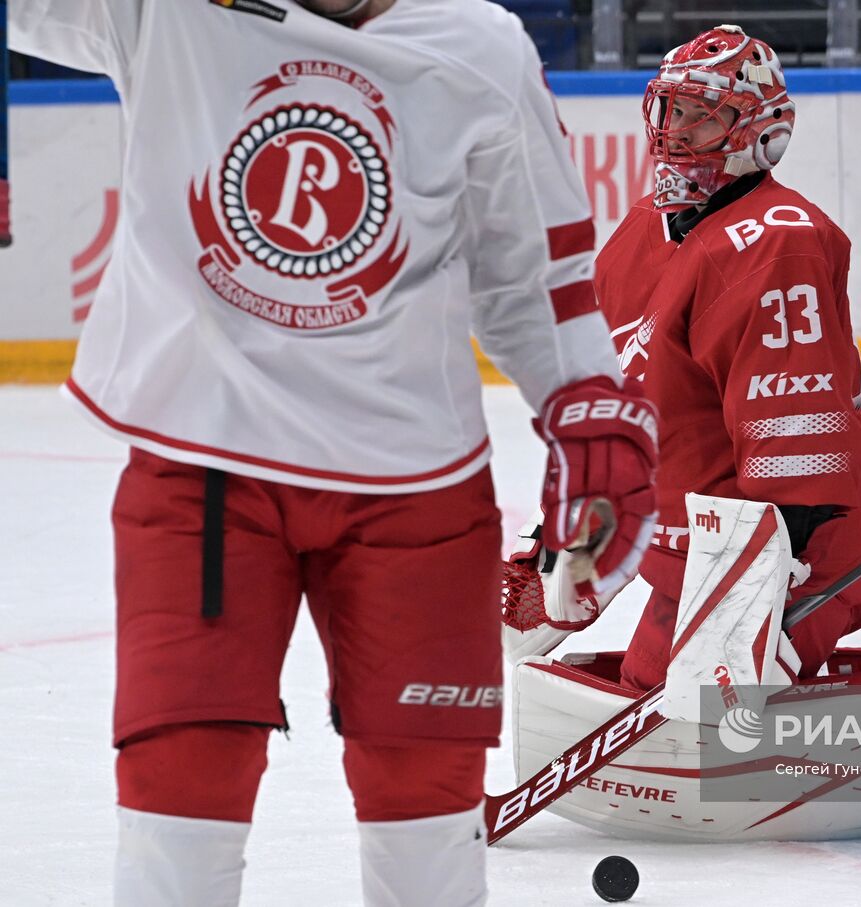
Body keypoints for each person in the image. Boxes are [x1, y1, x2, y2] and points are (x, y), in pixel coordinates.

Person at [13, 1, 658, 905]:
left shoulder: (476, 44)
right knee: (179, 822)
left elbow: (531, 272)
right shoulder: (163, 11)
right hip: (204, 473)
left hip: (416, 493)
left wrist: (587, 406)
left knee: (426, 837)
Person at [565, 24, 861, 691]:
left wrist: (767, 595)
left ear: (759, 133)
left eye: (700, 116)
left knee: (713, 710)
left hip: (806, 543)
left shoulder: (778, 242)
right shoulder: (642, 231)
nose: (674, 135)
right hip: (701, 544)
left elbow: (798, 444)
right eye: (671, 111)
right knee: (648, 695)